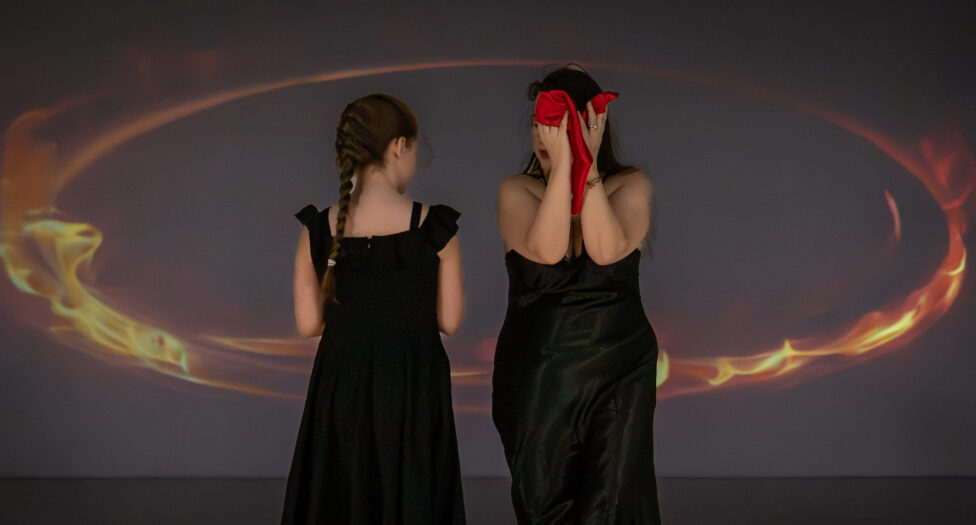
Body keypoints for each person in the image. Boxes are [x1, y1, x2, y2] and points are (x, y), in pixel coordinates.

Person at [282, 93, 466, 524]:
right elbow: (450, 321)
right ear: (399, 146)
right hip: (413, 392)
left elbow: (309, 323)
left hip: (341, 390)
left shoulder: (319, 229)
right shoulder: (435, 229)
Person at [492, 65, 661, 523]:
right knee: (544, 502)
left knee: (613, 503)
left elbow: (606, 252)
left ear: (591, 130)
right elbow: (546, 253)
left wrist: (584, 166)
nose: (545, 139)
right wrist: (564, 162)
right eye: (540, 127)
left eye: (558, 129)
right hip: (540, 372)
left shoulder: (630, 185)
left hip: (620, 364)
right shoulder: (517, 189)